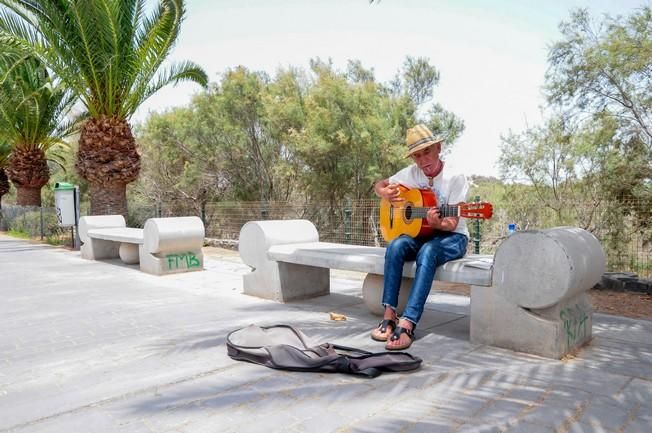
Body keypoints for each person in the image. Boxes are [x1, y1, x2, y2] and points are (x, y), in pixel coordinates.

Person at [371, 124, 469, 350]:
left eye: (427, 152)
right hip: (423, 234)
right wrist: (384, 192)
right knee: (395, 246)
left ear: (438, 148)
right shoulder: (410, 174)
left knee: (429, 251)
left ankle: (408, 323)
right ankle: (389, 315)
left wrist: (439, 223)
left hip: (452, 237)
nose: (423, 160)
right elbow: (380, 184)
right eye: (417, 155)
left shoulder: (456, 177)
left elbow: (452, 223)